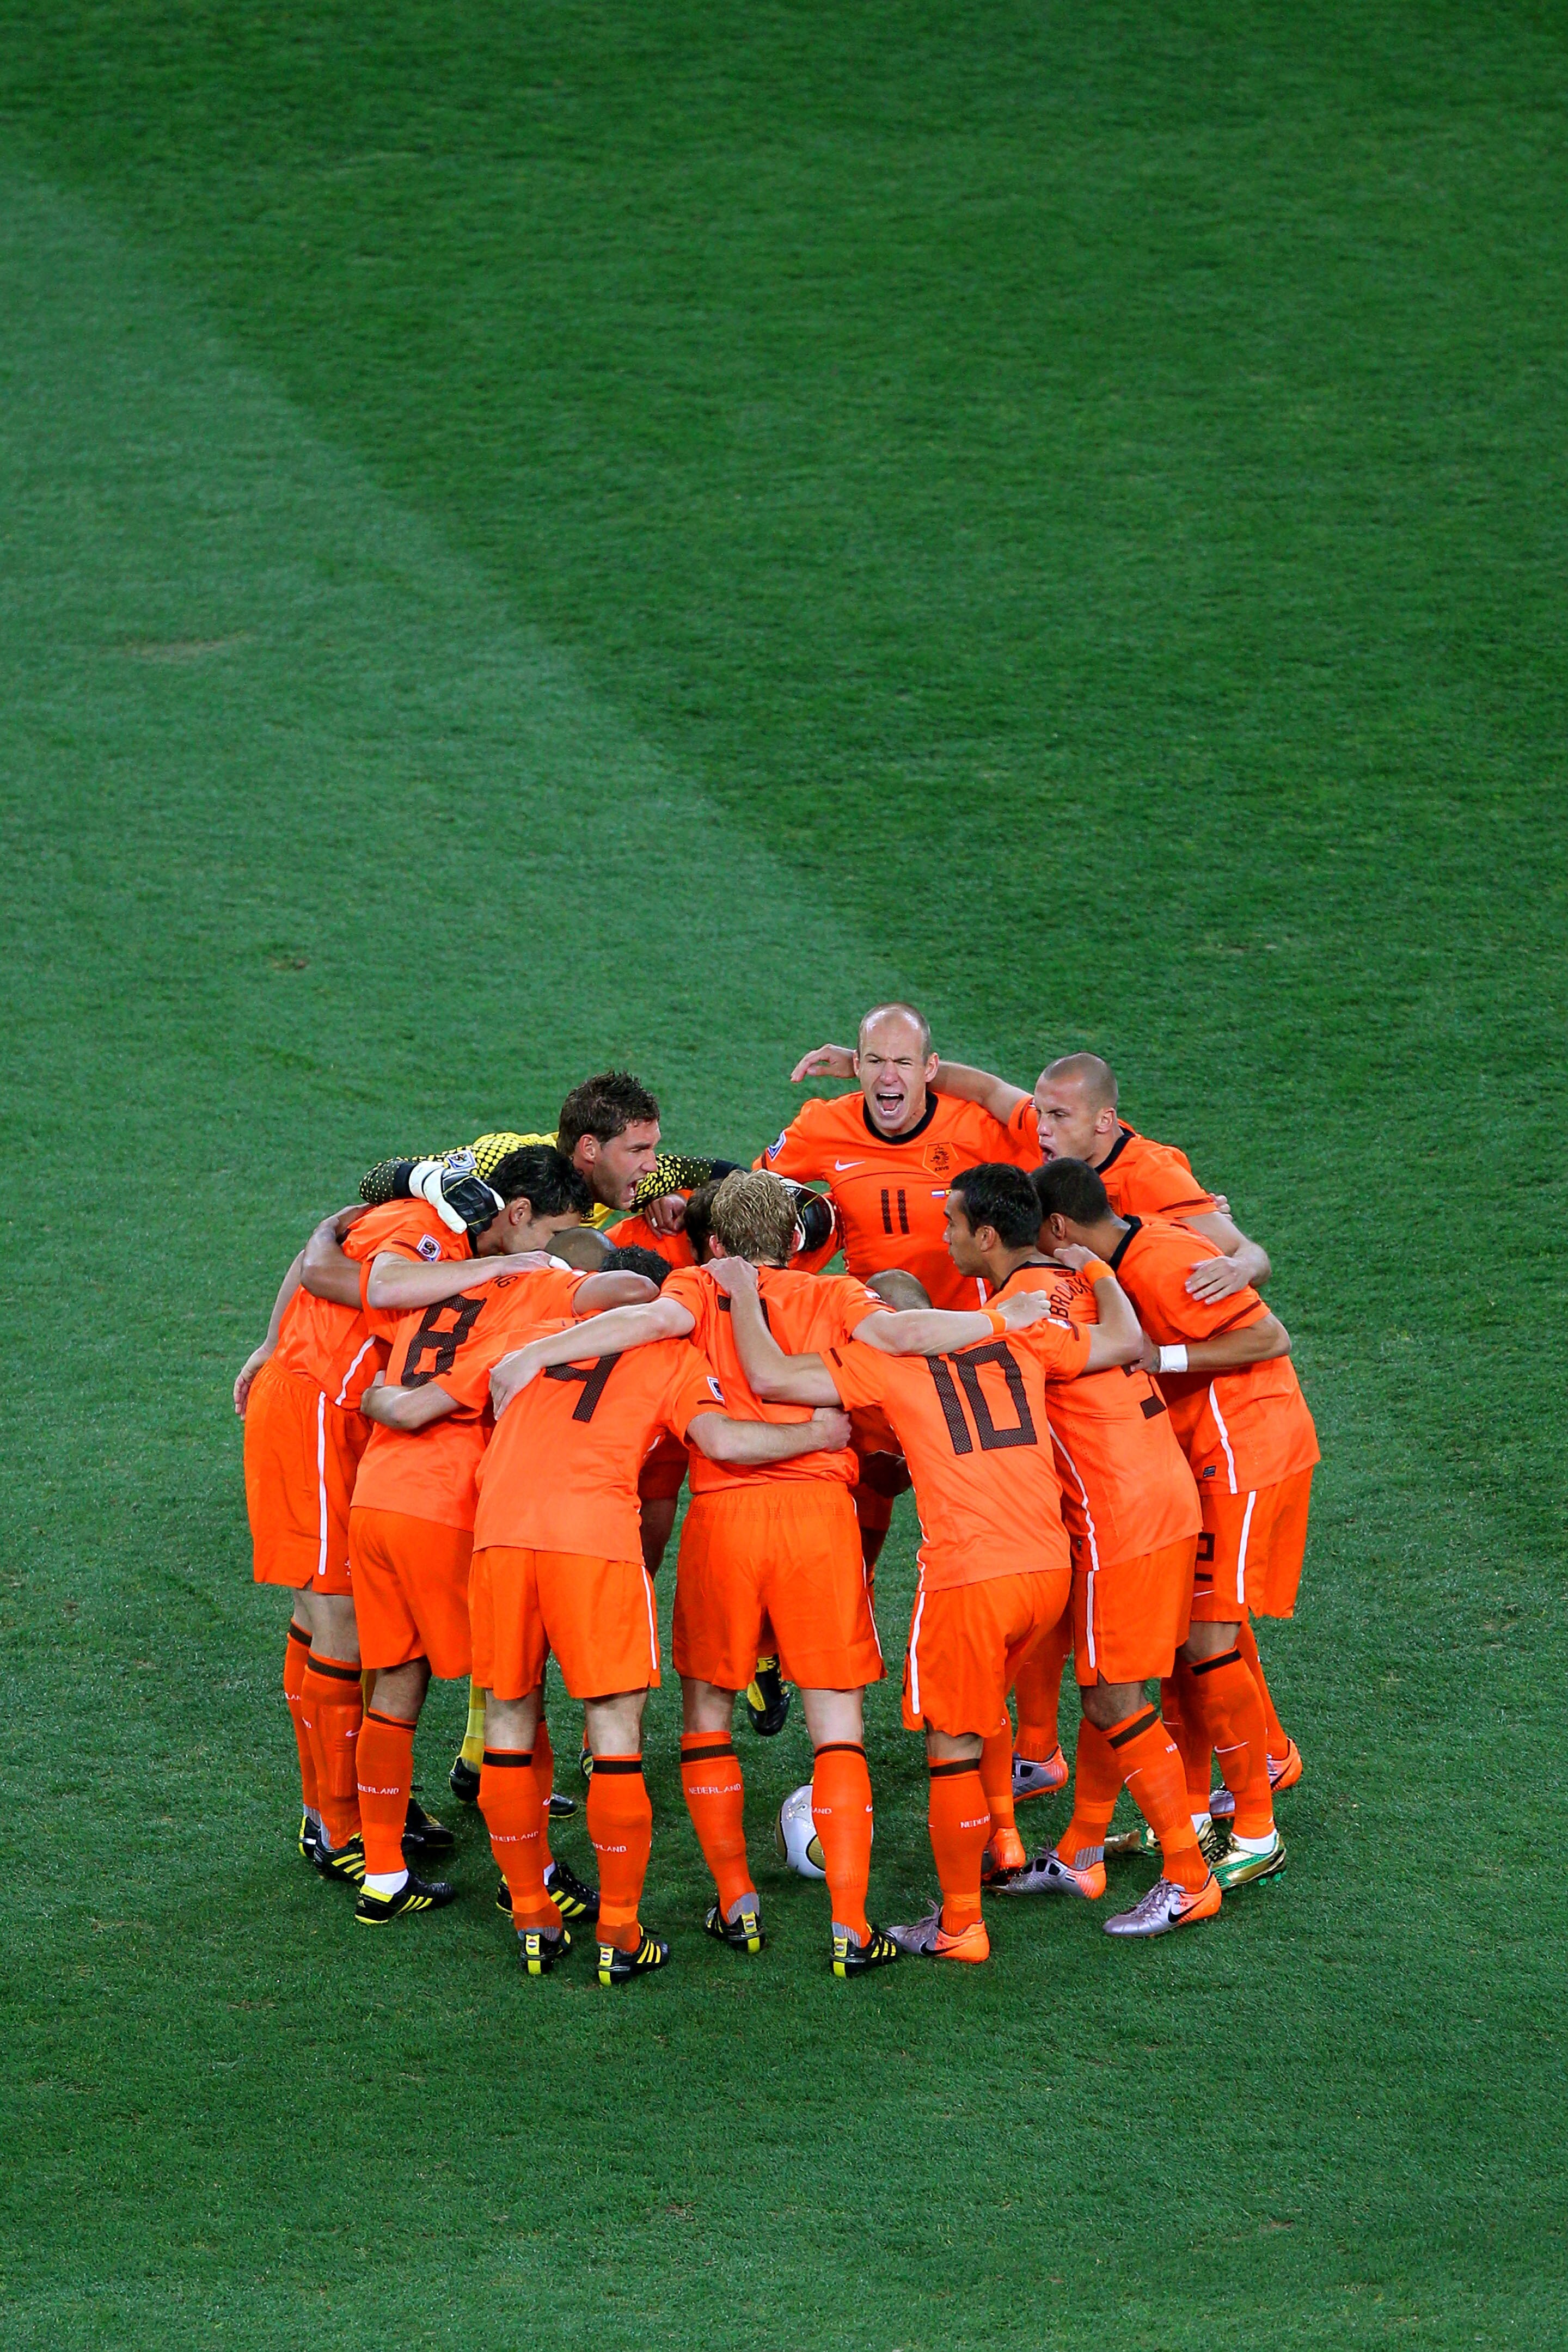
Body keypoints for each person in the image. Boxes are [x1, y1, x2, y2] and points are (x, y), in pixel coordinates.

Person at [708, 1196, 1175, 1957]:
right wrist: (1093, 1263)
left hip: (969, 1574)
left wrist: (742, 1293)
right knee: (989, 1707)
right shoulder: (1021, 1338)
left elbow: (767, 1374)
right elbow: (1125, 1337)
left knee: (952, 1744)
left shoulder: (880, 1362)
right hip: (1049, 1568)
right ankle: (1010, 1845)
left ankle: (961, 1925)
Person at [380, 1283, 852, 1984]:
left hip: (501, 1537)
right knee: (613, 1732)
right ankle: (620, 1937)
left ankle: (534, 1919)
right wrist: (819, 1435)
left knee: (509, 1717)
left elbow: (433, 1395)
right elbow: (721, 1438)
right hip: (593, 1541)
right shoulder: (673, 1355)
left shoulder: (536, 1335)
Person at [497, 1171, 903, 1976]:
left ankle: (735, 1902)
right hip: (821, 1520)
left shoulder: (694, 1287)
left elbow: (648, 1318)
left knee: (706, 1716)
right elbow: (903, 1339)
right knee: (838, 1725)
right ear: (796, 1241)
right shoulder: (843, 1297)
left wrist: (537, 1350)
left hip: (722, 1523)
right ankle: (851, 1928)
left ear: (715, 1246)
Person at [926, 1048, 1293, 1795]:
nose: (1042, 1126)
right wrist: (888, 1068)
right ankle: (1181, 1802)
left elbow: (1252, 1305)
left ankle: (1253, 1799)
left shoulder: (1154, 1192)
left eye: (1058, 1116)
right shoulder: (1071, 1181)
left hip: (1218, 1441)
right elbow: (995, 1094)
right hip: (1159, 1450)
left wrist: (1240, 1262)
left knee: (1199, 1638)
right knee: (1170, 1640)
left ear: (1105, 1120)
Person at [342, 1148, 655, 1924]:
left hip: (374, 1501)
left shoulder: (449, 1276)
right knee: (514, 1697)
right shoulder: (546, 1285)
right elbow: (626, 1287)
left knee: (393, 1682)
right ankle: (539, 1878)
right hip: (445, 1511)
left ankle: (381, 1873)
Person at [235, 1175, 548, 1884]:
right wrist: (500, 1268)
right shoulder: (426, 1231)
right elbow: (337, 1264)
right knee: (336, 1622)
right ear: (515, 1211)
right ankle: (335, 1821)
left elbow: (324, 1246)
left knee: (342, 1622)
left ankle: (364, 1802)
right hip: (320, 1412)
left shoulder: (443, 1227)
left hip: (349, 1423)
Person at [1033, 1159, 1319, 1892]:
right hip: (1207, 1459)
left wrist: (1161, 1357)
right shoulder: (1130, 1251)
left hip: (1246, 1453)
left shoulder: (1162, 1263)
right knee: (1184, 1642)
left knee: (1210, 1640)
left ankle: (1257, 1829)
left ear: (1059, 1228)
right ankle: (1192, 1813)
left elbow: (1270, 1337)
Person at [763, 1004, 1039, 1308]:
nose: (888, 1076)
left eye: (904, 1062)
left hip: (966, 1334)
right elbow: (755, 1190)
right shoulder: (822, 1126)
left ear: (930, 1069)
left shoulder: (977, 1129)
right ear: (857, 1065)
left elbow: (1044, 1191)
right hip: (871, 1329)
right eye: (875, 1061)